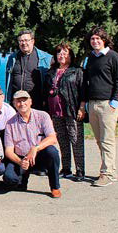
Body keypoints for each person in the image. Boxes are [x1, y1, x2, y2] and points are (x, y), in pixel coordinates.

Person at [82, 26, 118, 187]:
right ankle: (111, 171)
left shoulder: (113, 57)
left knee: (107, 140)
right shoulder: (91, 58)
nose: (95, 41)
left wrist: (115, 101)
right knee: (100, 141)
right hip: (93, 104)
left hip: (108, 104)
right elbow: (88, 82)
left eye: (98, 39)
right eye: (92, 39)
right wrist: (85, 103)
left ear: (104, 40)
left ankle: (106, 173)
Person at [3, 91, 61, 198]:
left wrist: (35, 148)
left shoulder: (43, 116)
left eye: (24, 100)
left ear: (30, 102)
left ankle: (55, 187)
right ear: (14, 104)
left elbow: (52, 138)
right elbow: (8, 151)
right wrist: (20, 162)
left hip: (39, 155)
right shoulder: (10, 123)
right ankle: (23, 178)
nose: (22, 104)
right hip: (22, 158)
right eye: (18, 101)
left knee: (52, 152)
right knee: (10, 179)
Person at [44, 43, 86, 181]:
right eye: (59, 53)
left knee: (76, 140)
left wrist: (81, 107)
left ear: (70, 55)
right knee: (62, 141)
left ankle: (80, 170)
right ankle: (66, 168)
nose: (61, 55)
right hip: (55, 112)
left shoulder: (77, 71)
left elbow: (83, 91)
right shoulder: (51, 72)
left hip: (72, 110)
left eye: (65, 53)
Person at [5, 29, 51, 109]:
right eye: (21, 41)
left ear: (33, 41)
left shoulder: (45, 58)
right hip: (17, 103)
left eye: (26, 40)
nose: (23, 43)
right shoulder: (12, 58)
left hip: (36, 103)